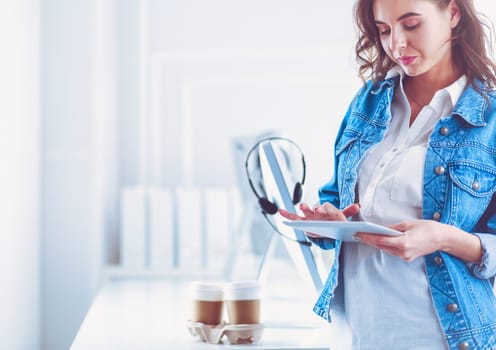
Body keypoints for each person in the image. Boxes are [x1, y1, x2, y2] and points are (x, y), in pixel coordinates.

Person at [279, 0, 496, 349]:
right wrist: (327, 219)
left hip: (445, 336)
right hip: (357, 332)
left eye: (411, 25)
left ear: (453, 13)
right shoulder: (368, 101)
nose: (396, 44)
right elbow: (338, 197)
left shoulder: (490, 118)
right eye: (383, 30)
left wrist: (443, 237)